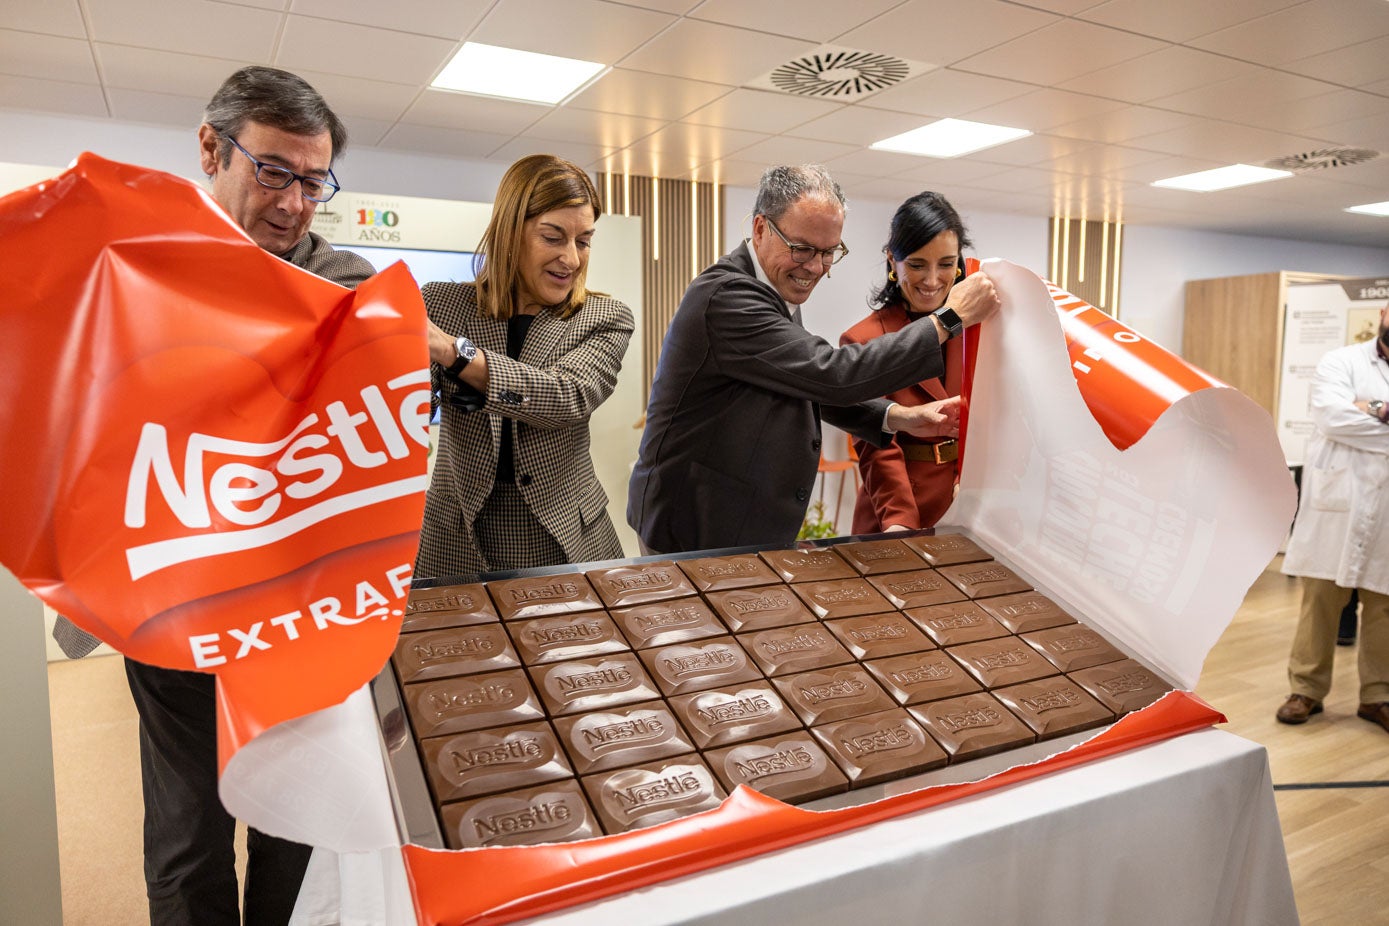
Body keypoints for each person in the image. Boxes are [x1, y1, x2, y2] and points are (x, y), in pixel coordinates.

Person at [51, 66, 375, 925]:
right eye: (274, 172)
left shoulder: (347, 288)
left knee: (292, 820)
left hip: (296, 608)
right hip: (173, 598)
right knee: (189, 830)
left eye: (314, 181)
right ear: (210, 147)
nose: (296, 203)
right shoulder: (136, 266)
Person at [628, 165, 999, 554]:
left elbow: (805, 384)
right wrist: (950, 318)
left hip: (737, 521)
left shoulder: (775, 288)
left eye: (829, 253)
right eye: (803, 249)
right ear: (759, 229)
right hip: (695, 526)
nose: (816, 268)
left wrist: (896, 417)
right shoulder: (729, 296)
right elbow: (833, 374)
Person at [415, 154, 633, 578]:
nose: (571, 258)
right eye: (553, 237)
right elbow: (408, 408)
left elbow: (564, 397)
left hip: (564, 538)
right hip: (455, 537)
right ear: (509, 233)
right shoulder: (441, 304)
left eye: (583, 241)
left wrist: (456, 354)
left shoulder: (604, 318)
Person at [1276, 303, 1389, 734]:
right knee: (1319, 603)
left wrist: (1371, 407)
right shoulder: (1341, 362)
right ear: (1383, 312)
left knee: (1385, 608)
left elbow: (1352, 420)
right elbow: (1333, 417)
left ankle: (1377, 697)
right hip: (1340, 502)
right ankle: (1305, 689)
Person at [839, 191, 972, 535]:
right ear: (892, 262)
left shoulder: (976, 333)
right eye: (916, 264)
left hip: (964, 505)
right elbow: (877, 449)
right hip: (894, 514)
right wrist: (900, 523)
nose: (932, 281)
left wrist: (969, 482)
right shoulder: (862, 340)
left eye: (945, 264)